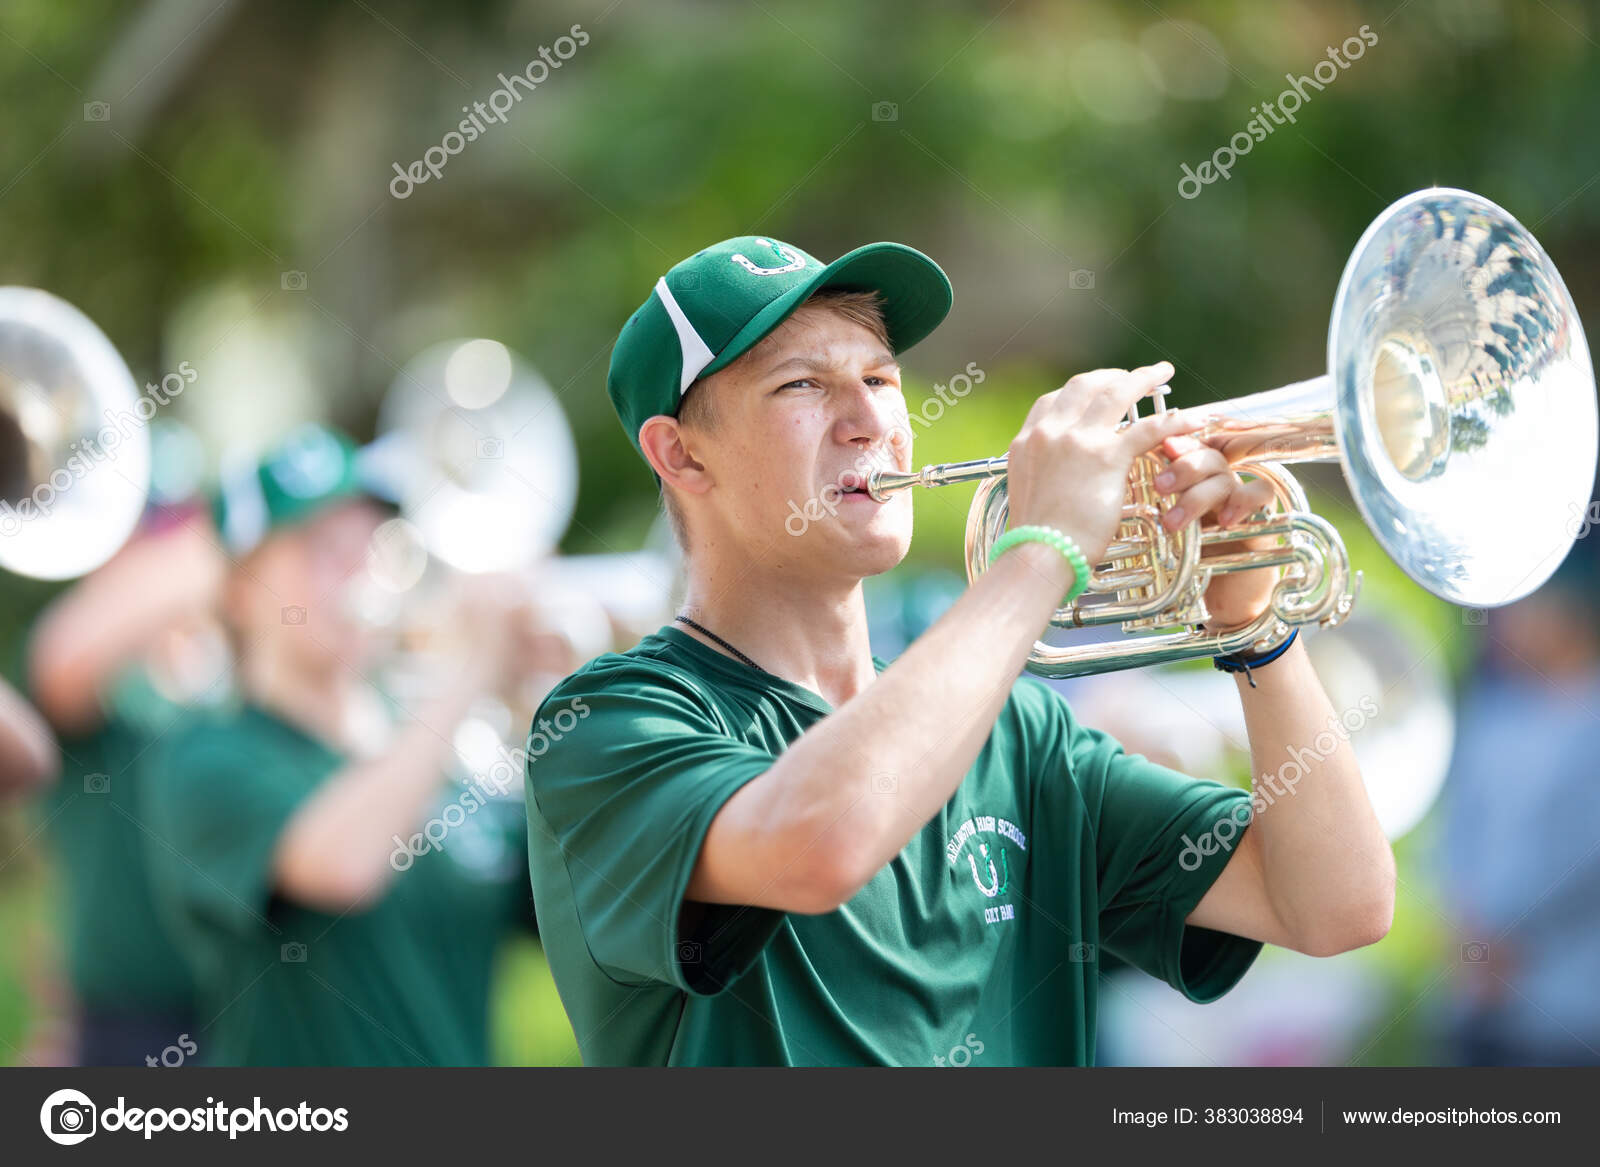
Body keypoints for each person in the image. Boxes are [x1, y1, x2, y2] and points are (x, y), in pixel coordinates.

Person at [523, 235, 1395, 1066]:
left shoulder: (1020, 733)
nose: (869, 418)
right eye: (803, 386)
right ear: (680, 453)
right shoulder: (608, 722)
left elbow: (1335, 903)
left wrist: (1254, 628)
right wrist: (1043, 547)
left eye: (880, 376)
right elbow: (823, 841)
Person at [142, 424, 540, 1066]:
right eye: (321, 548)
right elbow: (343, 867)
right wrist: (474, 673)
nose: (358, 573)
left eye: (369, 546)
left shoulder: (457, 757)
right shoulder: (202, 757)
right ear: (241, 593)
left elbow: (587, 914)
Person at [23, 500, 223, 1065]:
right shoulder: (97, 677)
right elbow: (63, 659)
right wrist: (225, 544)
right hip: (131, 1027)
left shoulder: (219, 669)